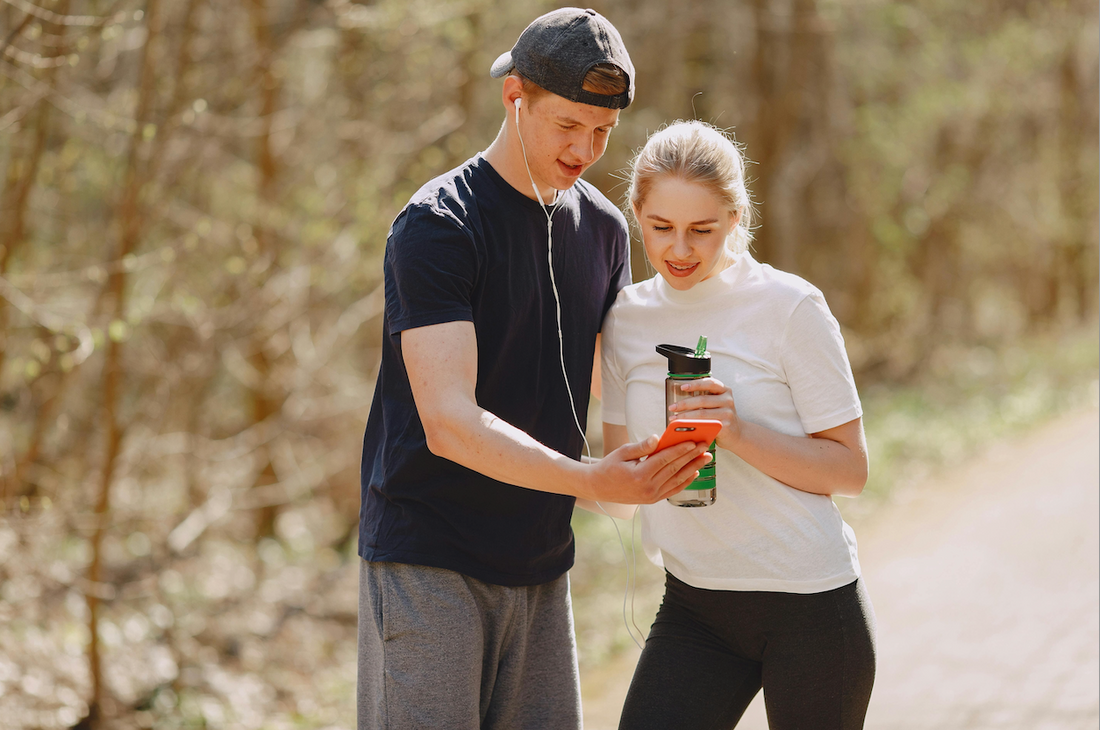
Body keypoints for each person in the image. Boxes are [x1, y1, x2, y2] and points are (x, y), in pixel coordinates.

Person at [356, 10, 710, 730]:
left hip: (543, 566)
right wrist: (590, 480)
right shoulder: (438, 226)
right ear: (515, 95)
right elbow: (449, 423)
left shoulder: (608, 230)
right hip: (431, 563)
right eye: (567, 126)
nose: (585, 149)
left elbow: (623, 378)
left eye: (603, 133)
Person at [600, 120, 877, 730]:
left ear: (736, 216)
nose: (680, 250)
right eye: (660, 228)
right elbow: (621, 494)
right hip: (694, 607)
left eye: (702, 229)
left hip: (810, 606)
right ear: (637, 214)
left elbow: (851, 471)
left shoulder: (790, 307)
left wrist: (739, 432)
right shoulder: (624, 319)